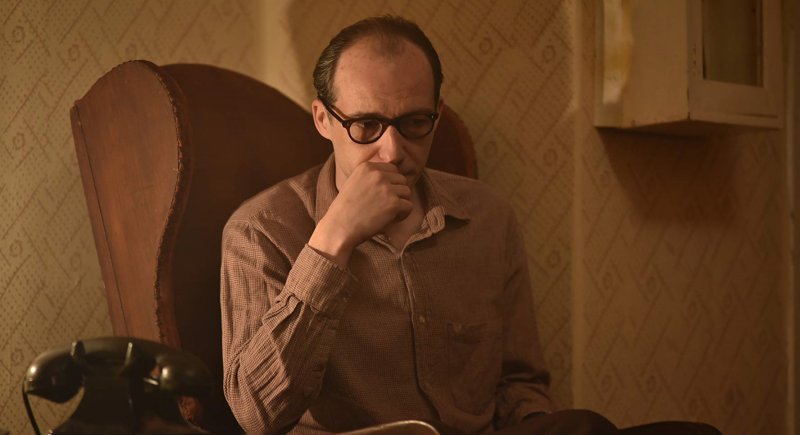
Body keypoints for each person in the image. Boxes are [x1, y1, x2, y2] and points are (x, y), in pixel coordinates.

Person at [220, 15, 721, 435]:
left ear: (436, 116)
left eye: (414, 124)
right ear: (323, 119)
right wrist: (332, 242)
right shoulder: (261, 231)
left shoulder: (487, 218)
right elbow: (256, 415)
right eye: (366, 126)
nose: (392, 151)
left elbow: (520, 382)